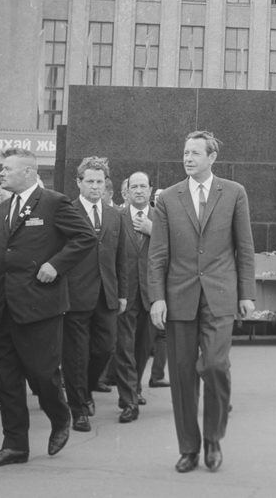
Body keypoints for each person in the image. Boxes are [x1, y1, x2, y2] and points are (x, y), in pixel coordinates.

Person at [0, 147, 96, 467]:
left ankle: (60, 417)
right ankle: (15, 445)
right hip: (2, 308)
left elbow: (85, 238)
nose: (0, 174)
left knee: (43, 376)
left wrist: (56, 265)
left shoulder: (54, 202)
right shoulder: (1, 209)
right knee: (8, 381)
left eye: (7, 168)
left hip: (38, 306)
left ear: (29, 172)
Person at [148, 131, 256, 472]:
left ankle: (213, 439)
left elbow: (245, 247)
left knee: (214, 366)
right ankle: (189, 448)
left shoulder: (234, 193)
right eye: (185, 152)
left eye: (195, 153)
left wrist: (247, 294)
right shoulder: (167, 197)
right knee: (181, 376)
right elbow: (158, 254)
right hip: (179, 297)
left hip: (220, 297)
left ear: (212, 158)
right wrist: (157, 299)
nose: (188, 158)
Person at [62, 157, 128, 433]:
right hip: (75, 295)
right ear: (79, 182)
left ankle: (84, 390)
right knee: (76, 355)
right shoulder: (66, 211)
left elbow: (121, 258)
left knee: (105, 348)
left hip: (107, 294)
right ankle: (78, 410)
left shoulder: (114, 215)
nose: (95, 186)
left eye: (100, 182)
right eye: (89, 181)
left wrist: (122, 293)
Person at [114, 171, 155, 423]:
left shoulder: (162, 219)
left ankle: (134, 387)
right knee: (124, 348)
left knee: (142, 348)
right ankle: (129, 401)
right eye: (134, 186)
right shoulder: (116, 217)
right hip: (124, 294)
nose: (138, 190)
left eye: (143, 186)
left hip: (152, 295)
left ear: (151, 190)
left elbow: (179, 248)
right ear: (127, 191)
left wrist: (155, 231)